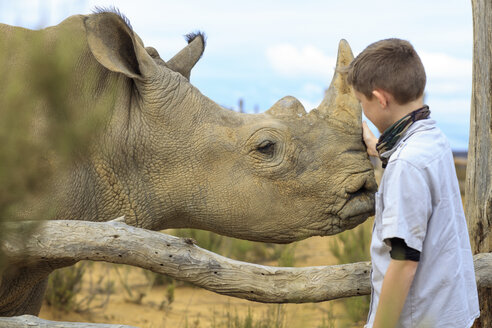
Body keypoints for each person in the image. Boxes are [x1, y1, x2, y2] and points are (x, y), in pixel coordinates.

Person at [344, 38, 479, 328]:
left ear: (380, 99)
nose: (363, 111)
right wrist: (380, 148)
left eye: (361, 103)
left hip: (418, 320)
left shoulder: (407, 164)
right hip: (447, 314)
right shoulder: (433, 140)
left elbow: (404, 261)